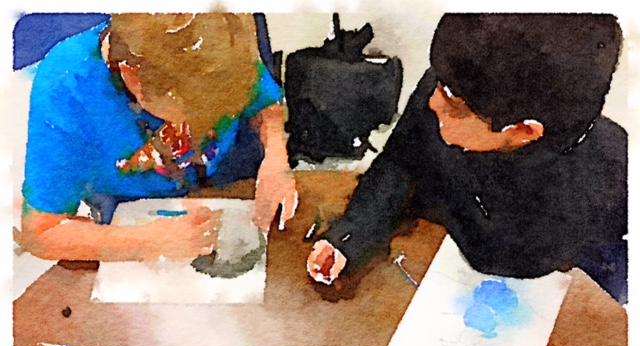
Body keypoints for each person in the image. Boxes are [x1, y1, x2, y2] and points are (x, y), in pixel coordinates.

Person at [307, 14, 627, 304]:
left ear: (522, 131)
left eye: (454, 105)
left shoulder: (602, 189)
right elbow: (398, 166)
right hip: (428, 272)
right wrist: (348, 237)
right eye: (440, 84)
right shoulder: (456, 86)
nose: (433, 102)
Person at [19, 13, 297, 262]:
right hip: (128, 206)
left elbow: (264, 102)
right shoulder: (65, 85)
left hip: (226, 180)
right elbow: (41, 232)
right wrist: (146, 242)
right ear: (132, 75)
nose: (206, 123)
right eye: (193, 111)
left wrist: (276, 157)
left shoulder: (219, 44)